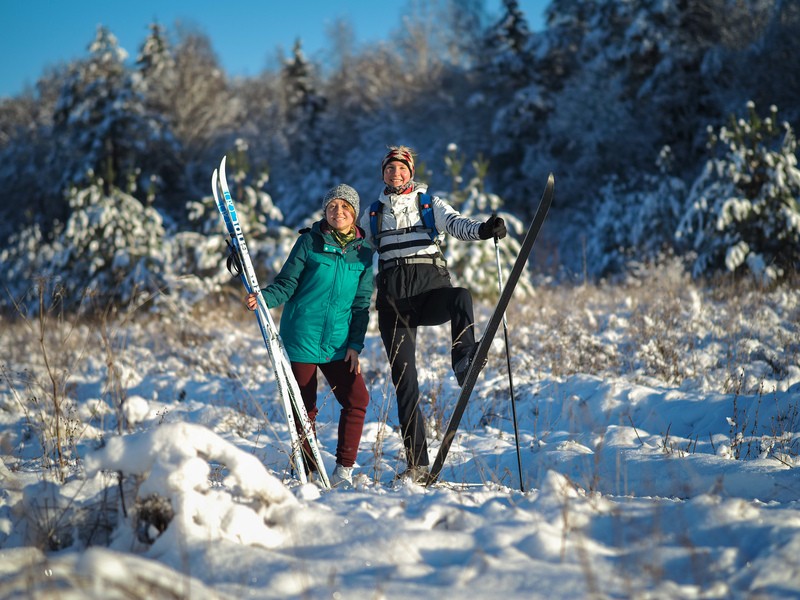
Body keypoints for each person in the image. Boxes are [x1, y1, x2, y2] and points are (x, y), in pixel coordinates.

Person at [359, 145, 507, 483]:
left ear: (411, 172)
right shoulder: (372, 215)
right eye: (389, 169)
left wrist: (484, 230)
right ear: (382, 173)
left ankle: (463, 357)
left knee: (460, 298)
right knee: (405, 385)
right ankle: (417, 464)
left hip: (430, 291)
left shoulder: (429, 204)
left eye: (401, 168)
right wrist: (319, 237)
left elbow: (457, 225)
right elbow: (349, 243)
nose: (395, 174)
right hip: (394, 303)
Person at [245, 184, 372, 488]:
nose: (337, 212)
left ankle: (344, 471)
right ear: (324, 212)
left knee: (357, 399)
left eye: (344, 207)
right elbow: (286, 284)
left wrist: (355, 344)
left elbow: (361, 304)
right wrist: (262, 298)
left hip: (338, 343)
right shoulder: (308, 243)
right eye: (331, 207)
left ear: (353, 213)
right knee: (304, 409)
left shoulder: (364, 254)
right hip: (301, 336)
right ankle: (308, 470)